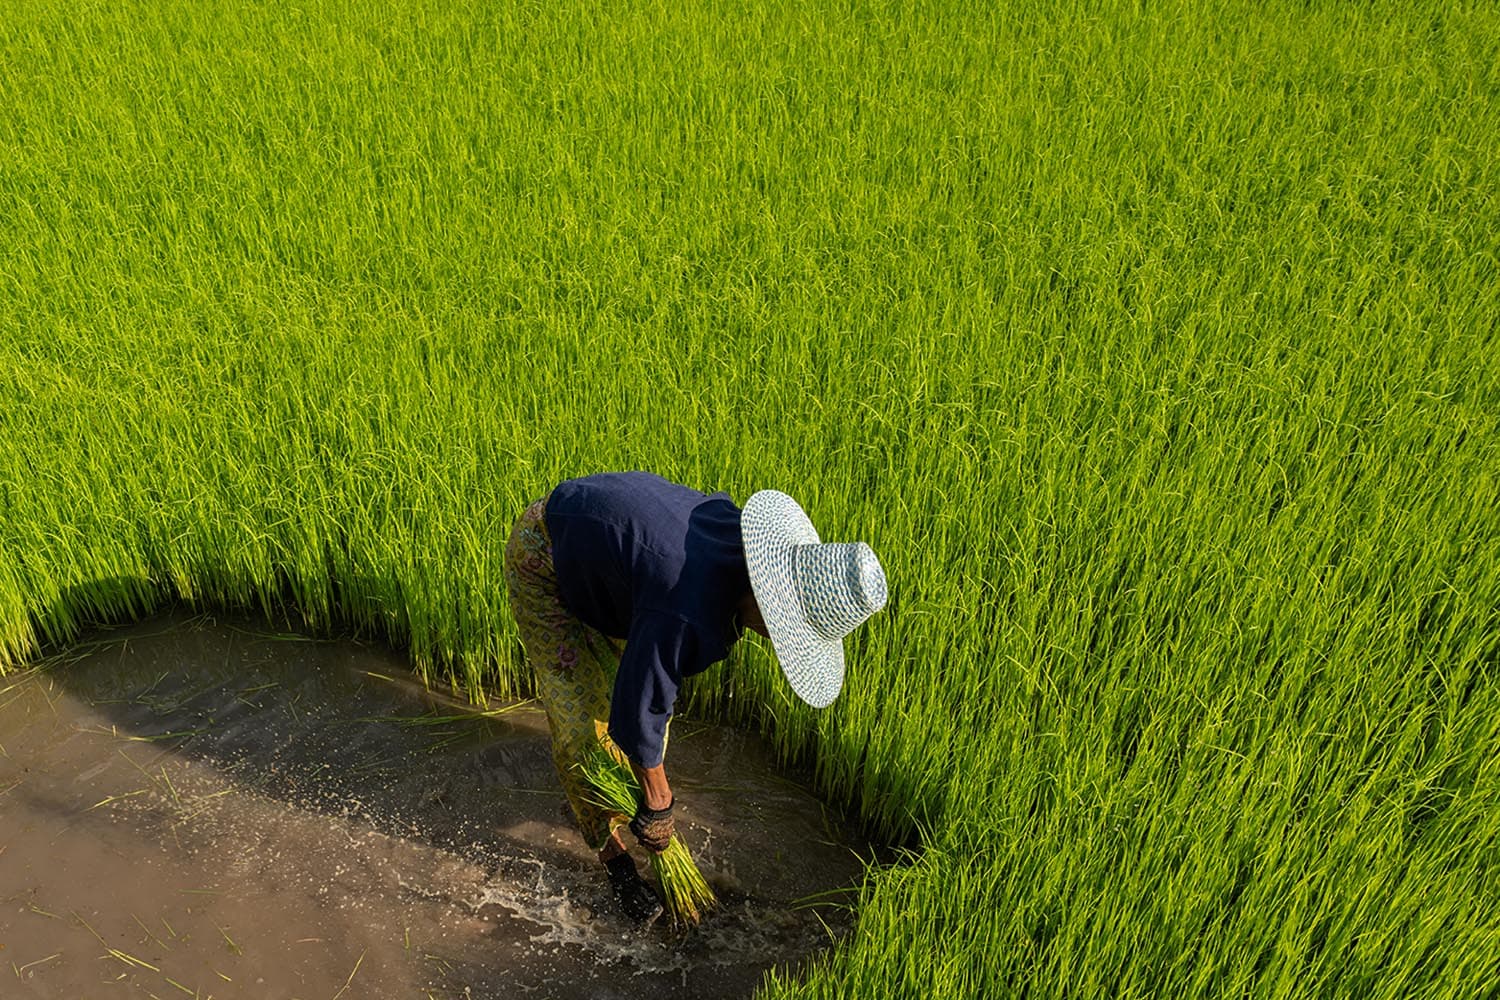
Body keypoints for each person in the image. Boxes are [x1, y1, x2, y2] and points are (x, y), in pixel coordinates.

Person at [502, 471, 888, 924]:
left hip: (620, 579)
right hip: (547, 555)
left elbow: (653, 683)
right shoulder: (685, 605)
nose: (774, 638)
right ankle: (616, 862)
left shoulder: (729, 561)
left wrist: (651, 782)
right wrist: (658, 803)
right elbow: (641, 705)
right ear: (767, 600)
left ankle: (618, 806)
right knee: (581, 736)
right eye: (784, 629)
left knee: (630, 719)